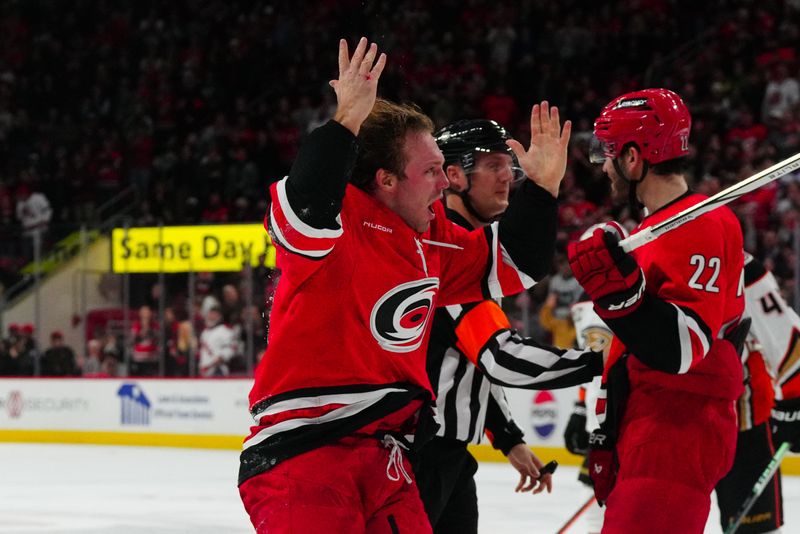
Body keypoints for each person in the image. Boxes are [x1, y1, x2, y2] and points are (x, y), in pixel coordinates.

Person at [238, 37, 572, 533]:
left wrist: (543, 191)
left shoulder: (432, 235)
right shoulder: (339, 220)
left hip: (389, 455)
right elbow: (303, 211)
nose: (445, 182)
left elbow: (513, 265)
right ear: (387, 181)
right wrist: (345, 120)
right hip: (305, 451)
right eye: (432, 170)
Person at [567, 88, 746, 533]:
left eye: (608, 154)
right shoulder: (658, 227)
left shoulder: (700, 224)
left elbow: (685, 349)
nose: (604, 166)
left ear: (633, 158)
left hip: (678, 430)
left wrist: (617, 293)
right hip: (654, 425)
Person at [414, 119, 604, 534]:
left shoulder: (467, 246)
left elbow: (476, 363)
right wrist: (602, 362)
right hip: (419, 455)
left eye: (509, 166)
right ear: (454, 175)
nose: (507, 177)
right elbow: (502, 358)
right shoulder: (445, 249)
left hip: (447, 453)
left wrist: (507, 437)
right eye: (494, 165)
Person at [198, 305, 236, 377]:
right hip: (204, 371)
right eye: (210, 314)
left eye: (214, 314)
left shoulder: (225, 330)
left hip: (218, 370)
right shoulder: (204, 332)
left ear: (219, 316)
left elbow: (231, 348)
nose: (211, 316)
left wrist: (222, 357)